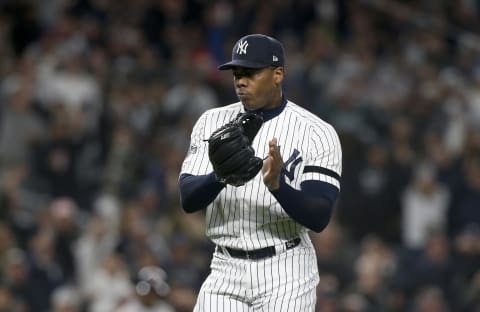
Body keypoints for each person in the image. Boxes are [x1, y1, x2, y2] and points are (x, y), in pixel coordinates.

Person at [178, 34, 342, 311]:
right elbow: (188, 199)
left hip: (287, 271)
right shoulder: (211, 121)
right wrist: (220, 176)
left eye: (251, 73)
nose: (241, 81)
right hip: (224, 268)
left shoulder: (317, 132)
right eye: (237, 73)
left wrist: (278, 185)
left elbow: (319, 216)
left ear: (278, 74)